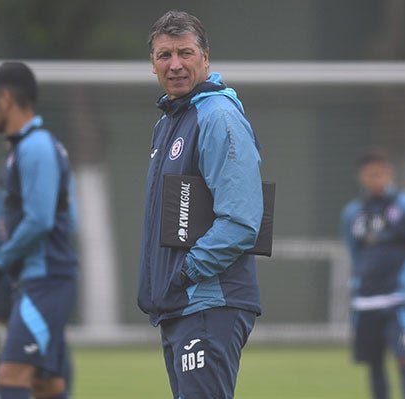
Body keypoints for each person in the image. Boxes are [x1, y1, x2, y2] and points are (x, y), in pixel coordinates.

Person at [137, 10, 264, 399]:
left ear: (205, 57)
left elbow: (242, 221)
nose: (174, 64)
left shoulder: (218, 116)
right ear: (153, 64)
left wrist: (185, 272)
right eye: (164, 55)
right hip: (181, 307)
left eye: (185, 52)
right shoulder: (170, 121)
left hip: (208, 302)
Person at [0, 61, 79, 399]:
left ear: (5, 99)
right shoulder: (27, 147)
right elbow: (67, 219)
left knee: (10, 376)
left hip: (45, 282)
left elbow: (41, 220)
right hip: (38, 280)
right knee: (46, 385)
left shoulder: (36, 147)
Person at [341, 149, 405, 399]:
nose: (377, 179)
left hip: (398, 298)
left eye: (381, 174)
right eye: (371, 174)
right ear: (361, 177)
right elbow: (354, 251)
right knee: (374, 362)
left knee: (404, 356)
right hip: (367, 299)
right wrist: (360, 279)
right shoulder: (353, 213)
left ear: (389, 174)